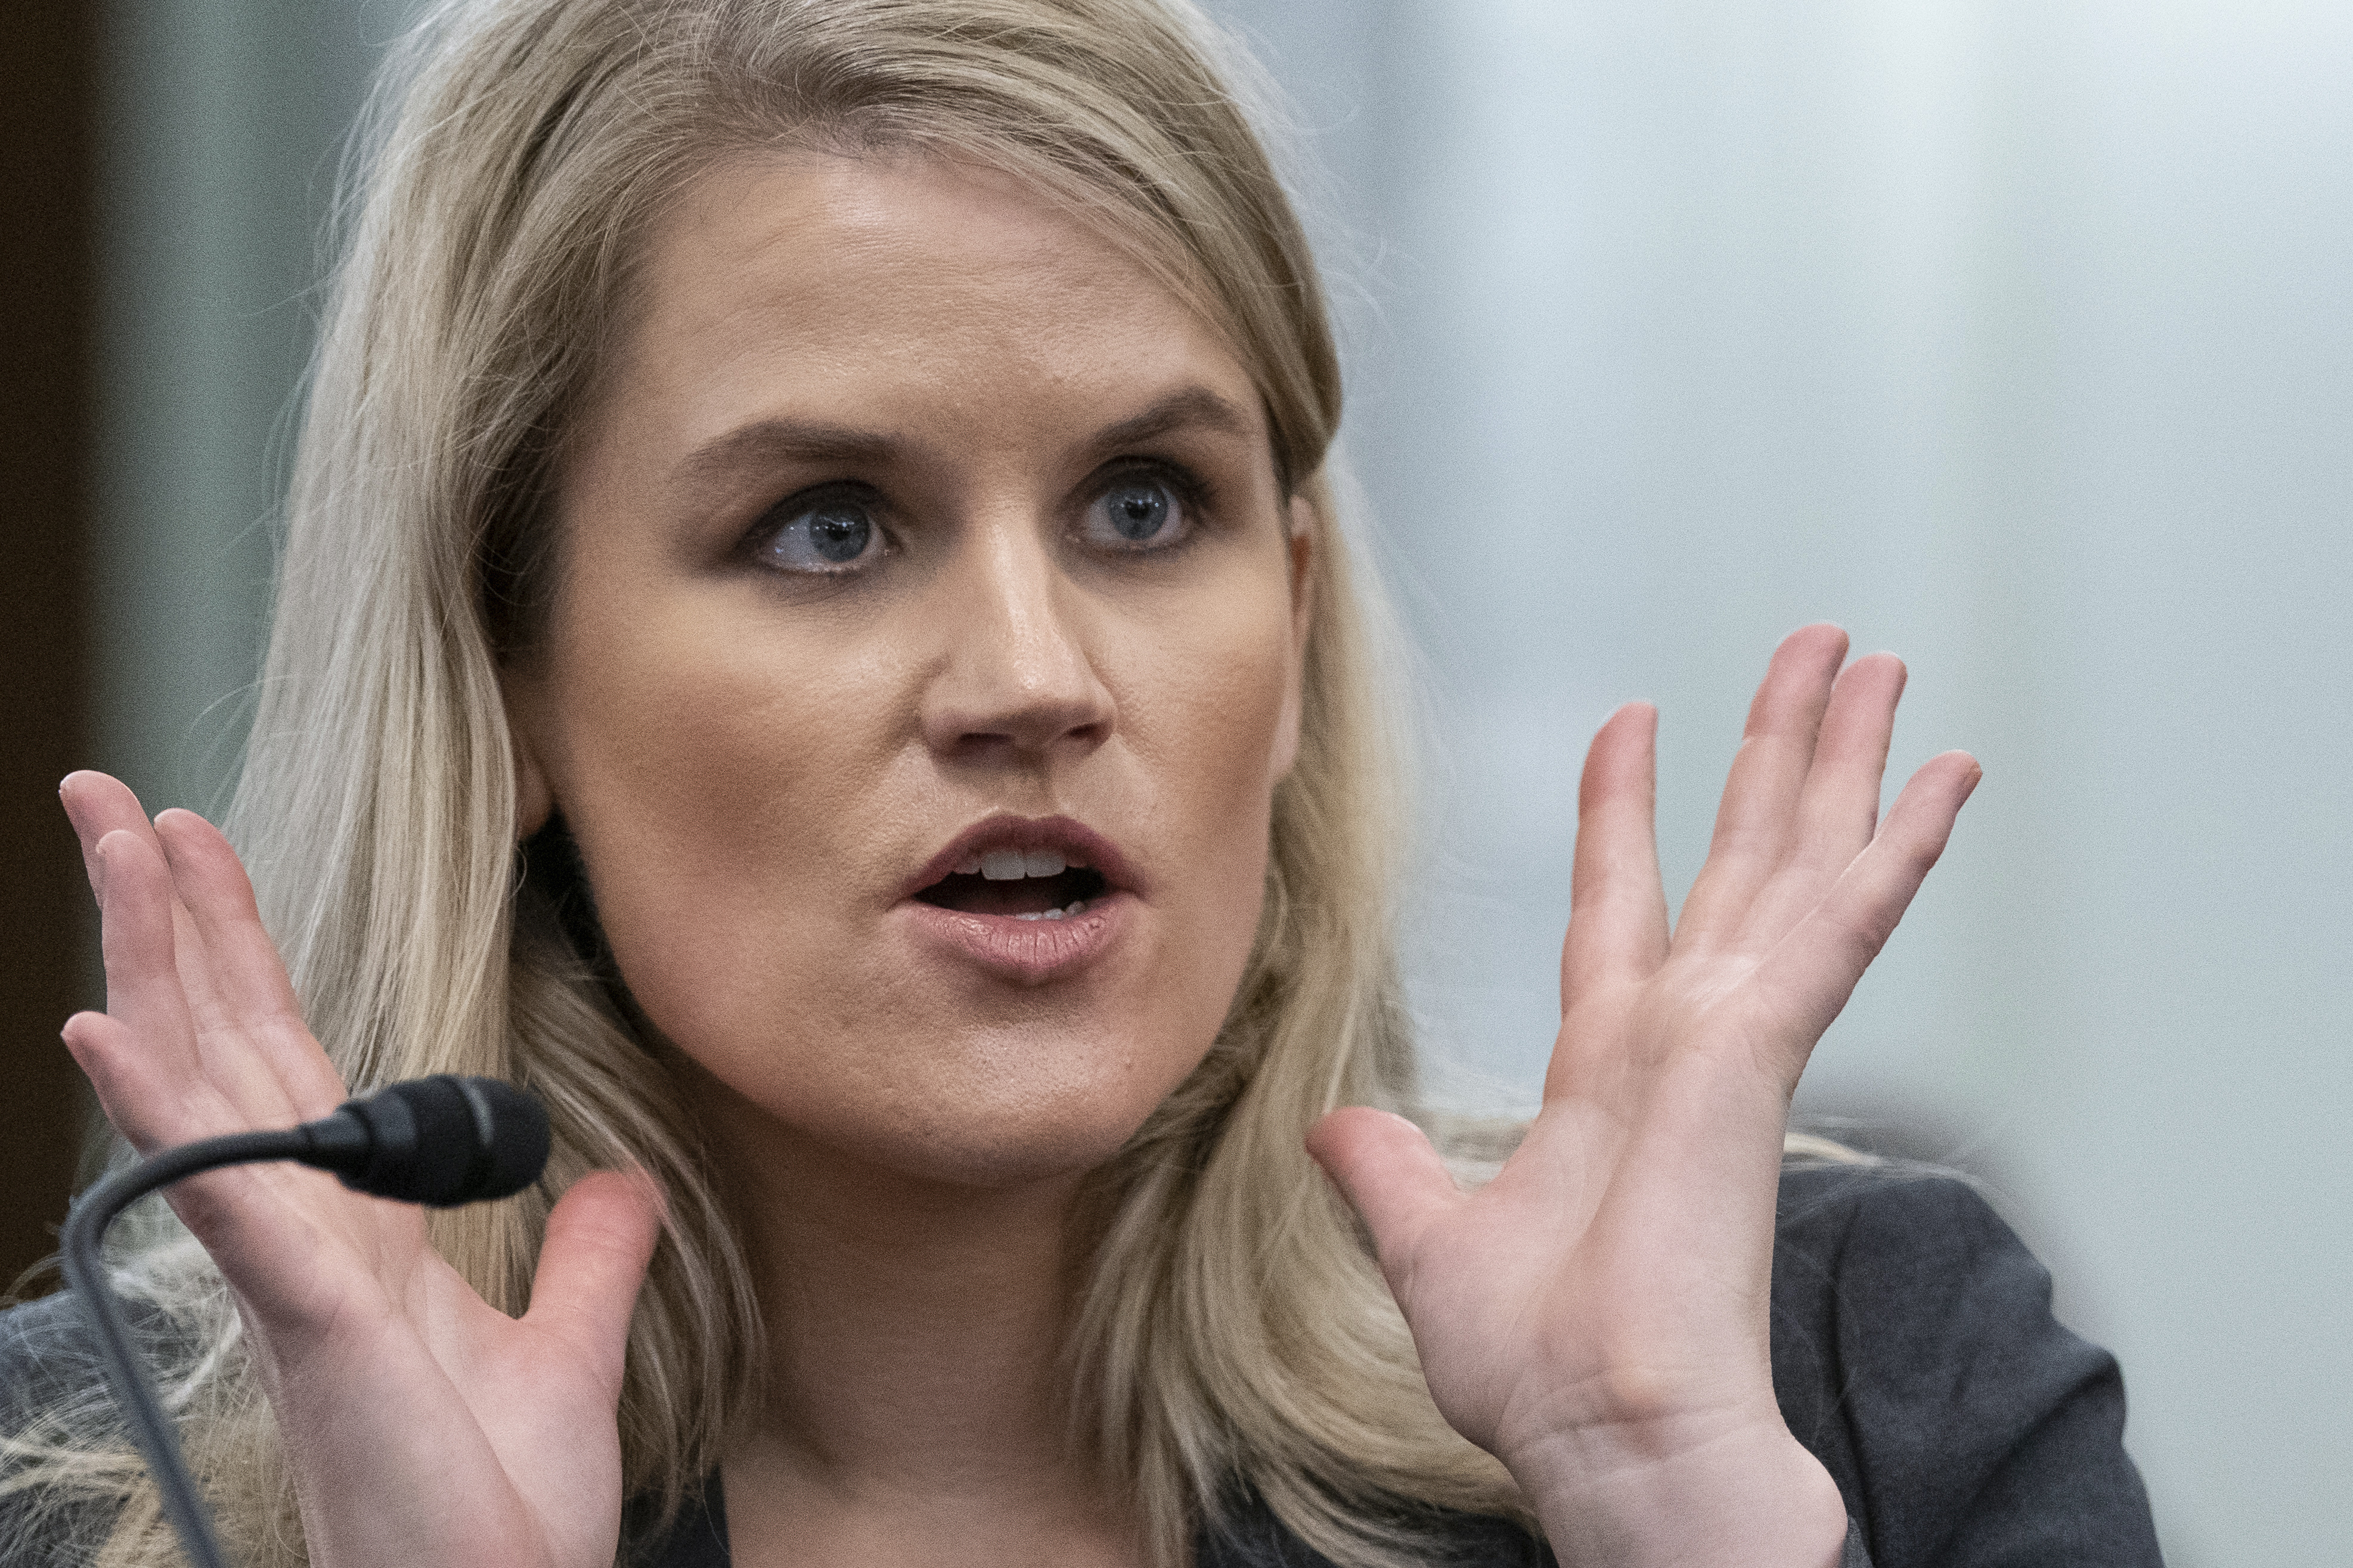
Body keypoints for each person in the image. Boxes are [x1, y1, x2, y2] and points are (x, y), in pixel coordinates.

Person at [1, 1, 2162, 1565]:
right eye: (827, 526)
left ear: (1295, 621)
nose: (1035, 682)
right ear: (510, 682)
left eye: (1144, 507)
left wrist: (1657, 1501)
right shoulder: (113, 1504)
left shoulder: (1848, 1387)